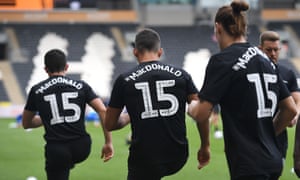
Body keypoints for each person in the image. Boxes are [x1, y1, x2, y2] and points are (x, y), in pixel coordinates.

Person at [188, 1, 298, 180]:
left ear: (218, 28)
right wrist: (268, 135)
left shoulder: (222, 61)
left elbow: (200, 114)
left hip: (248, 164)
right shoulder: (266, 60)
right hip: (273, 160)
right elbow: (290, 109)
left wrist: (191, 105)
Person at [104, 28, 210, 180]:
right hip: (177, 155)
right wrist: (205, 146)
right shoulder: (182, 75)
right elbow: (201, 113)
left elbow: (110, 124)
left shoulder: (124, 80)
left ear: (135, 52)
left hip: (144, 157)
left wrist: (129, 116)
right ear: (160, 52)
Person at [22, 49, 114, 180]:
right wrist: (108, 142)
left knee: (58, 167)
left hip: (56, 150)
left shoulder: (37, 90)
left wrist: (50, 117)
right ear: (66, 67)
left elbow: (26, 123)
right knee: (65, 162)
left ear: (45, 69)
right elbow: (103, 110)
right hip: (82, 147)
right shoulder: (82, 86)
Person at [259, 31, 300, 160]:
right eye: (268, 50)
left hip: (279, 139)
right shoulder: (253, 71)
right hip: (255, 136)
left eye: (276, 50)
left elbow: (297, 100)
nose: (273, 54)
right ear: (260, 49)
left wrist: (294, 115)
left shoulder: (287, 73)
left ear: (280, 49)